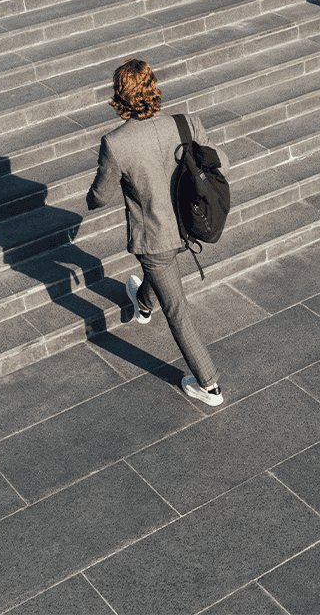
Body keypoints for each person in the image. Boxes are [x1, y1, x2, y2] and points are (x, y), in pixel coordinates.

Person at [86, 58, 229, 406]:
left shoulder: (116, 143)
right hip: (188, 223)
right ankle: (144, 305)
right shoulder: (185, 123)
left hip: (154, 238)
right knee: (160, 274)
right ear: (153, 88)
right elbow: (217, 159)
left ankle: (209, 385)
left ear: (119, 95)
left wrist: (92, 196)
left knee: (177, 309)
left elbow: (100, 198)